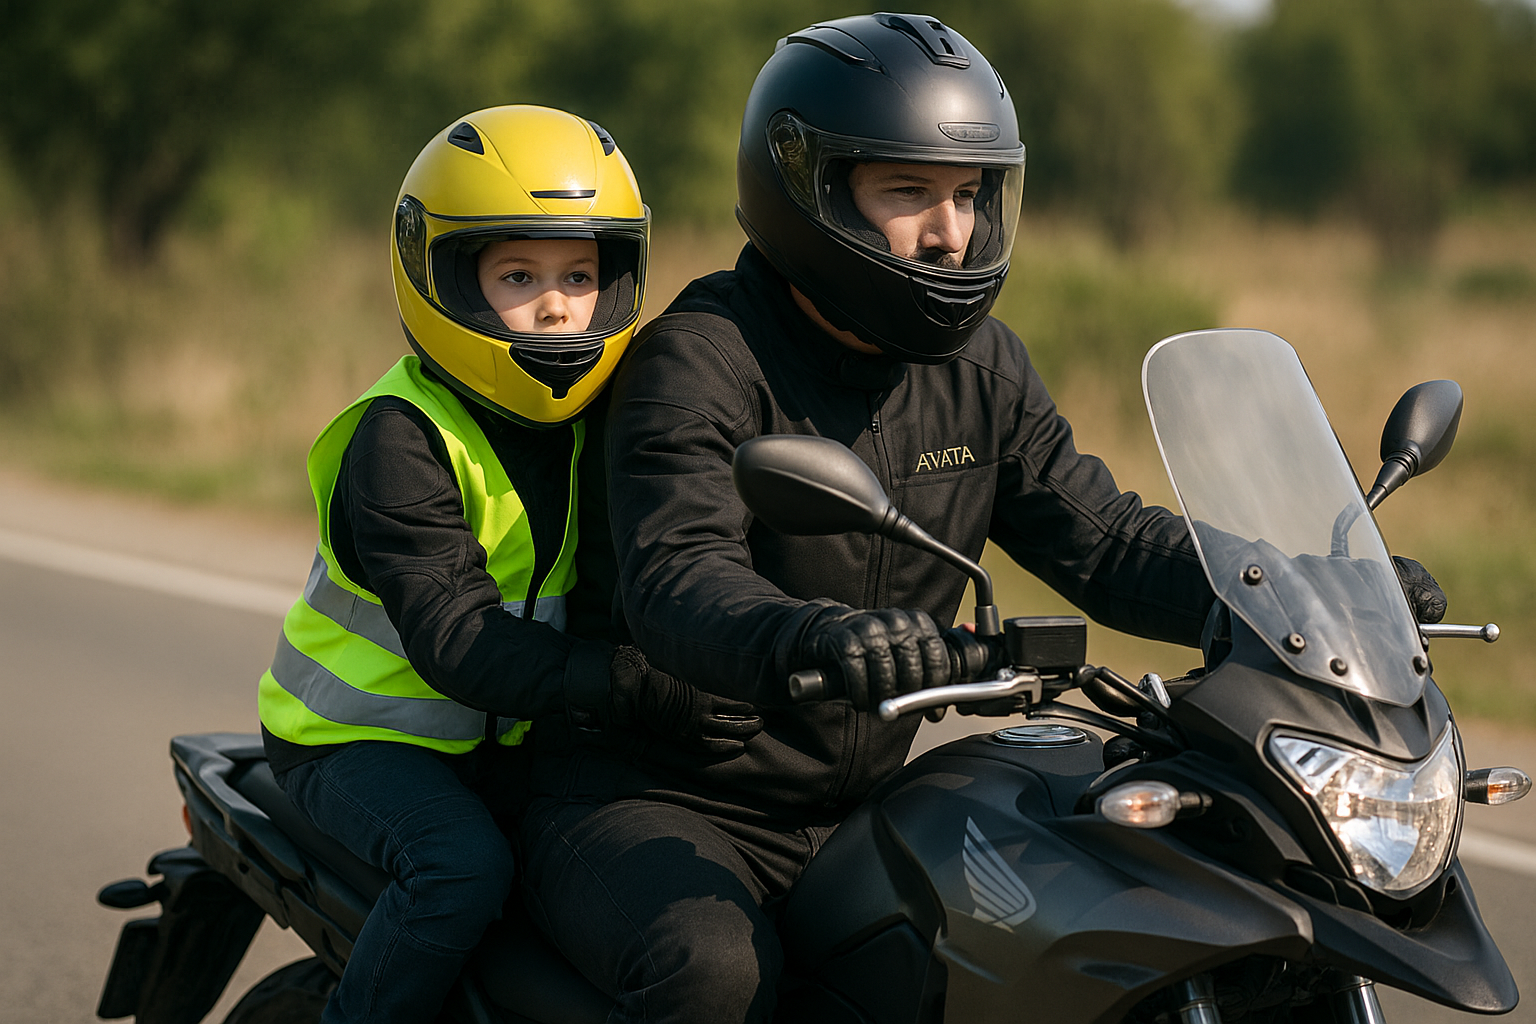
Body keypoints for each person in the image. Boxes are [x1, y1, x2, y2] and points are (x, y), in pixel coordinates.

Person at [517, 15, 1447, 1023]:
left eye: (968, 195)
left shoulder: (979, 370)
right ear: (810, 188)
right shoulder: (699, 361)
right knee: (714, 975)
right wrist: (817, 632)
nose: (951, 232)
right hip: (651, 797)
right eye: (908, 193)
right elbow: (676, 577)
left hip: (853, 804)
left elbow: (1108, 538)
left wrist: (1318, 581)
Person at [255, 105, 759, 1024]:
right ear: (444, 276)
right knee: (463, 869)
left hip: (507, 734)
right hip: (357, 742)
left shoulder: (593, 417)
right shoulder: (401, 438)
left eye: (581, 272)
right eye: (518, 274)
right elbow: (458, 638)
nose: (559, 303)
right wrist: (629, 683)